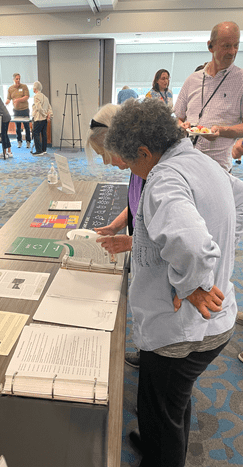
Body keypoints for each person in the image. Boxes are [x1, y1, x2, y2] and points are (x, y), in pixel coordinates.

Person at [104, 97, 243, 467]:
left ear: (146, 152)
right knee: (167, 399)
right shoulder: (200, 162)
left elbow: (192, 245)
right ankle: (155, 442)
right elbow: (237, 202)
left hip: (181, 332)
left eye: (131, 162)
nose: (133, 171)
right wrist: (224, 247)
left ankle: (162, 454)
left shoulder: (164, 177)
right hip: (214, 319)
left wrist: (192, 285)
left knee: (164, 405)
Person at [85, 103, 145, 368]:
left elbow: (171, 237)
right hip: (143, 250)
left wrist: (131, 241)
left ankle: (152, 354)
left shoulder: (150, 169)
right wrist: (116, 226)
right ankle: (146, 351)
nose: (107, 163)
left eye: (106, 156)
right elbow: (135, 204)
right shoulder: (136, 168)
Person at [174, 21, 243, 172]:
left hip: (218, 169)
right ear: (210, 46)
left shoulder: (241, 80)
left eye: (236, 45)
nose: (232, 52)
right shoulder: (192, 80)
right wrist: (181, 125)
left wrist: (222, 130)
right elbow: (178, 117)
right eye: (226, 46)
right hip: (186, 162)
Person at [6, 73, 31, 148]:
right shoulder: (10, 88)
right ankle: (19, 141)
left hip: (25, 110)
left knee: (27, 127)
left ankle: (28, 141)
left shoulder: (24, 87)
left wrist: (18, 100)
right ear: (13, 79)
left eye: (19, 79)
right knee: (18, 127)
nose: (18, 80)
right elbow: (9, 98)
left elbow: (27, 97)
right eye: (17, 79)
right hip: (16, 111)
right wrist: (6, 102)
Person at [31, 81, 53, 156]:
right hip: (44, 120)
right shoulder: (45, 97)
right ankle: (44, 150)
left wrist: (44, 114)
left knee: (36, 133)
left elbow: (39, 108)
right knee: (44, 134)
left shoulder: (36, 96)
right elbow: (49, 108)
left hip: (39, 118)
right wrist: (49, 115)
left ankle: (39, 151)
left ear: (35, 88)